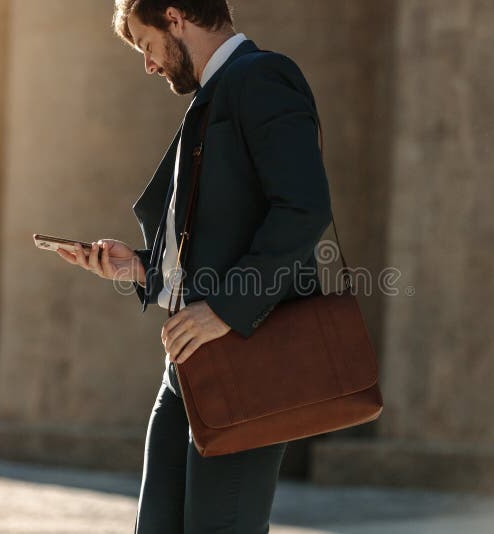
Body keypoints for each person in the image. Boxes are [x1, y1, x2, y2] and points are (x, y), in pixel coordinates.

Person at [57, 1, 332, 532]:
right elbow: (216, 238)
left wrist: (225, 311)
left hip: (251, 365)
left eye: (146, 44)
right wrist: (139, 268)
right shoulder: (212, 98)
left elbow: (304, 209)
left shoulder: (262, 78)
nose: (149, 65)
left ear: (176, 18)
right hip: (187, 365)